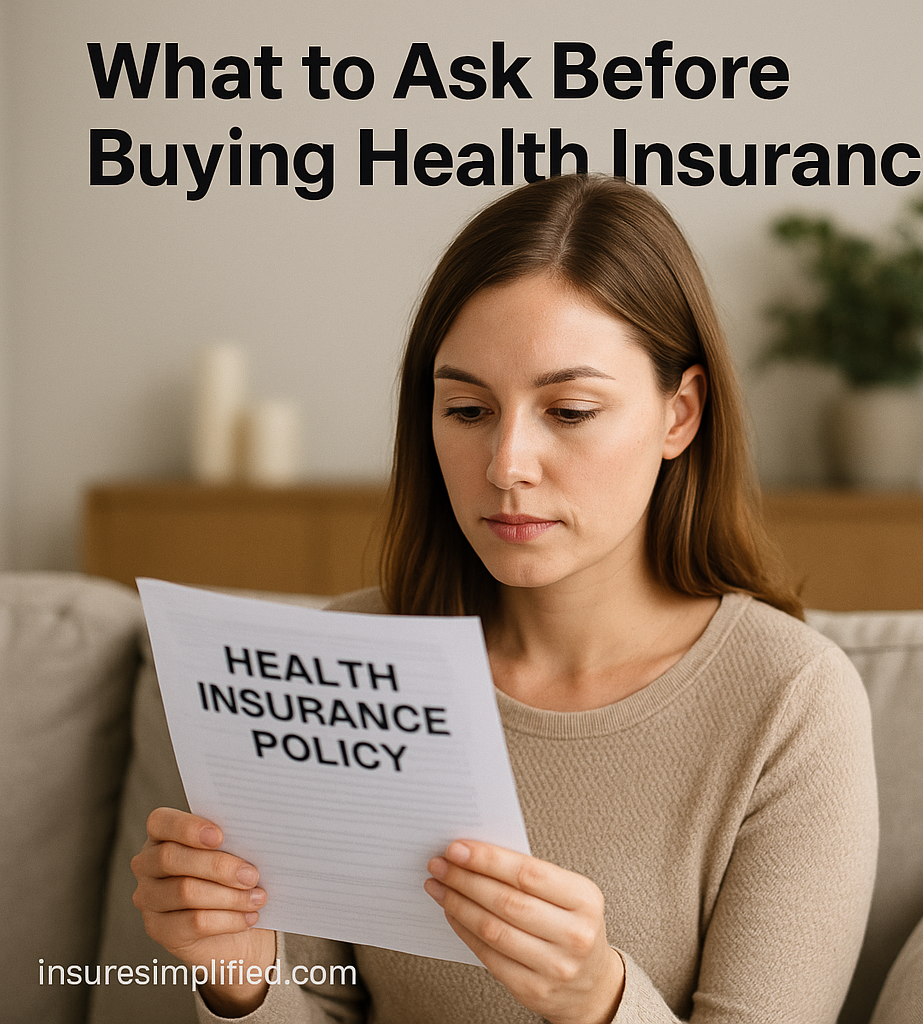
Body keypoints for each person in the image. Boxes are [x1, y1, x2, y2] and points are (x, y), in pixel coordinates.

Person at [132, 173, 878, 1024]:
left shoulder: (792, 702)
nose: (506, 464)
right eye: (466, 408)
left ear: (680, 415)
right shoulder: (345, 665)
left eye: (568, 409)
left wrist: (598, 999)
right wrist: (242, 982)